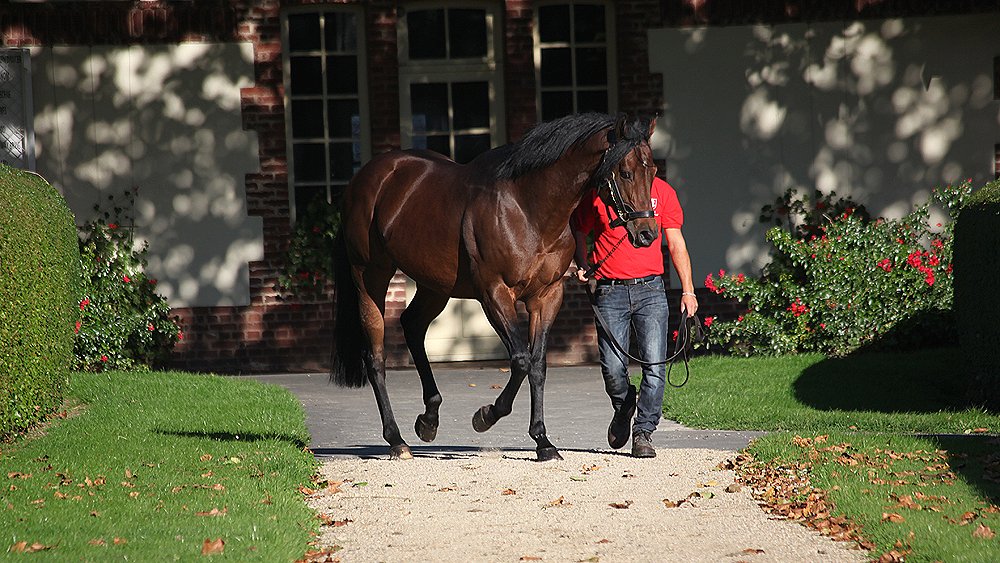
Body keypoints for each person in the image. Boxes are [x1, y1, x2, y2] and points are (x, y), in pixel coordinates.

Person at [571, 175, 698, 458]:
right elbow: (579, 228)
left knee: (654, 366)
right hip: (609, 291)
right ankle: (624, 405)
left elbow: (676, 243)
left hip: (651, 290)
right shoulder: (601, 193)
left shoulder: (663, 192)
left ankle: (643, 432)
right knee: (612, 368)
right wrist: (582, 262)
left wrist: (688, 290)